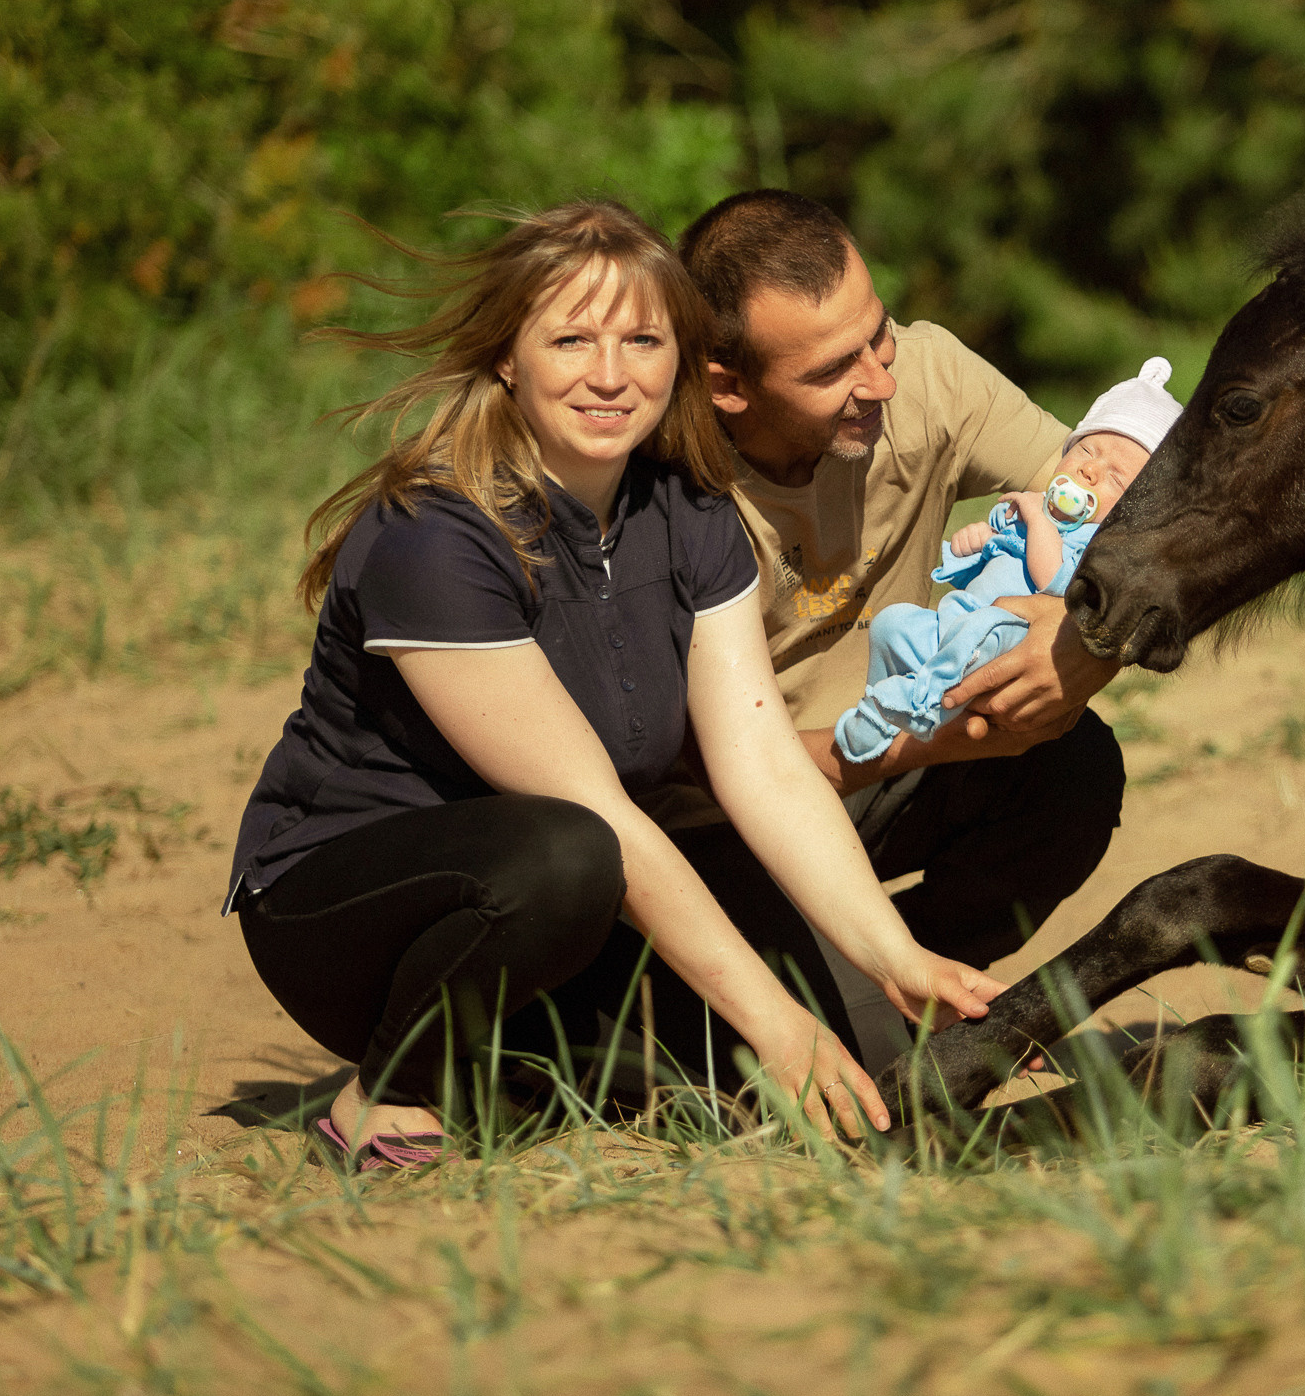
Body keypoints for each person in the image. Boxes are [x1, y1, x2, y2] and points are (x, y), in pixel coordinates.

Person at [224, 200, 1002, 1168]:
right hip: (358, 912)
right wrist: (777, 1025)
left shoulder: (688, 502)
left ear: (683, 358)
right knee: (570, 853)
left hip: (578, 895)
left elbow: (757, 759)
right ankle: (392, 1088)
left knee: (869, 1065)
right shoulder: (433, 535)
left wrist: (893, 956)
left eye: (643, 339)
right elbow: (593, 813)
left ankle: (525, 1069)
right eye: (572, 338)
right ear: (509, 354)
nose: (610, 374)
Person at [666, 190, 1131, 1065]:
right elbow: (701, 767)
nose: (880, 380)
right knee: (864, 1074)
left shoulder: (928, 376)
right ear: (727, 385)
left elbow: (1123, 519)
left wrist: (1080, 643)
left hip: (883, 773)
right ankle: (798, 998)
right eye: (832, 370)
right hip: (724, 824)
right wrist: (928, 744)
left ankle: (910, 971)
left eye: (876, 334)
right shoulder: (671, 491)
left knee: (1074, 771)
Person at [836, 360, 1180, 763]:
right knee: (891, 623)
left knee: (985, 627)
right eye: (1086, 450)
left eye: (1115, 478)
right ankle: (878, 714)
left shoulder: (1098, 544)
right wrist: (978, 542)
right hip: (954, 624)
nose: (1089, 469)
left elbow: (1054, 580)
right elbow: (986, 565)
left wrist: (1036, 520)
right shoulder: (1031, 512)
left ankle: (923, 704)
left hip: (1007, 638)